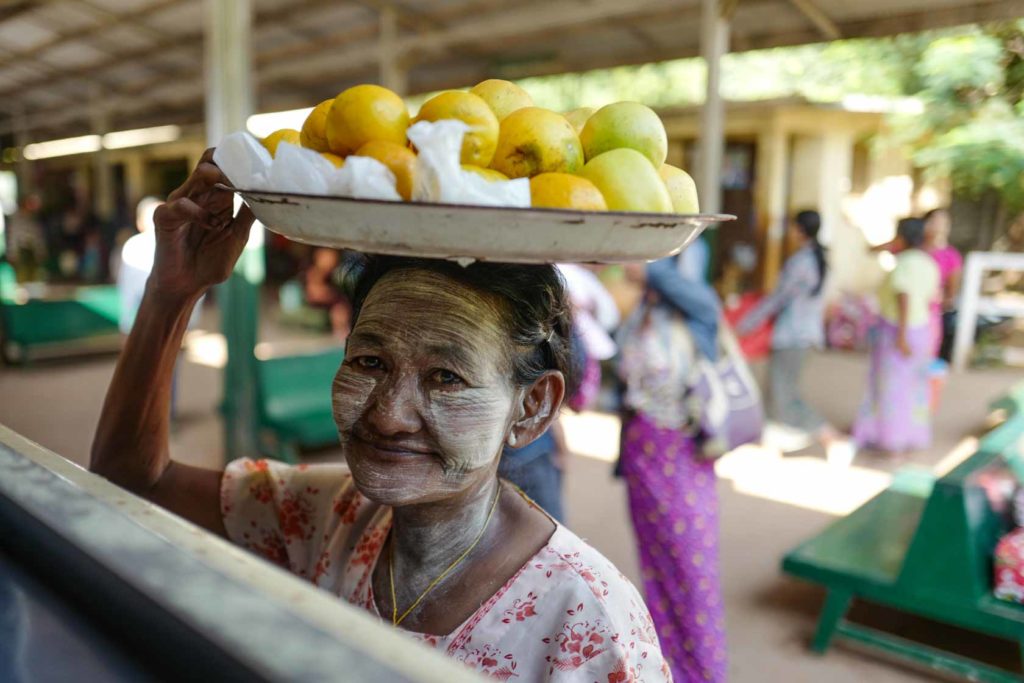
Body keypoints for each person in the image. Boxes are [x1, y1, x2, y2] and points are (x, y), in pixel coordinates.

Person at [90, 150, 670, 682]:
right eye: (369, 361)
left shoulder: (589, 625)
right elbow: (133, 477)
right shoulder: (326, 518)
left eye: (446, 377)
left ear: (532, 407)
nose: (389, 416)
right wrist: (173, 293)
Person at [617, 253, 727, 683]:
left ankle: (705, 674)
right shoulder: (645, 310)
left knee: (693, 575)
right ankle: (670, 670)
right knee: (656, 571)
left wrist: (652, 270)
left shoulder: (697, 312)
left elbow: (697, 297)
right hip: (641, 458)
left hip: (681, 457)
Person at [736, 210, 840, 450]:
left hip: (792, 335)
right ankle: (775, 441)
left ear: (799, 230)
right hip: (807, 334)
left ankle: (825, 433)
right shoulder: (819, 260)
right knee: (779, 391)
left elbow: (778, 298)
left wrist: (747, 324)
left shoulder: (800, 262)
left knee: (784, 394)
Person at [852, 217, 940, 454]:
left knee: (892, 387)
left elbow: (904, 296)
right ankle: (908, 436)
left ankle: (890, 441)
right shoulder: (928, 263)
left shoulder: (904, 264)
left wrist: (901, 335)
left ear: (901, 237)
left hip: (898, 331)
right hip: (921, 330)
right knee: (913, 386)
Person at [922, 208, 963, 359]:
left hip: (930, 313)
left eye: (943, 221)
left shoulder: (951, 256)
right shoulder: (915, 250)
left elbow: (950, 294)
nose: (938, 225)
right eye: (934, 220)